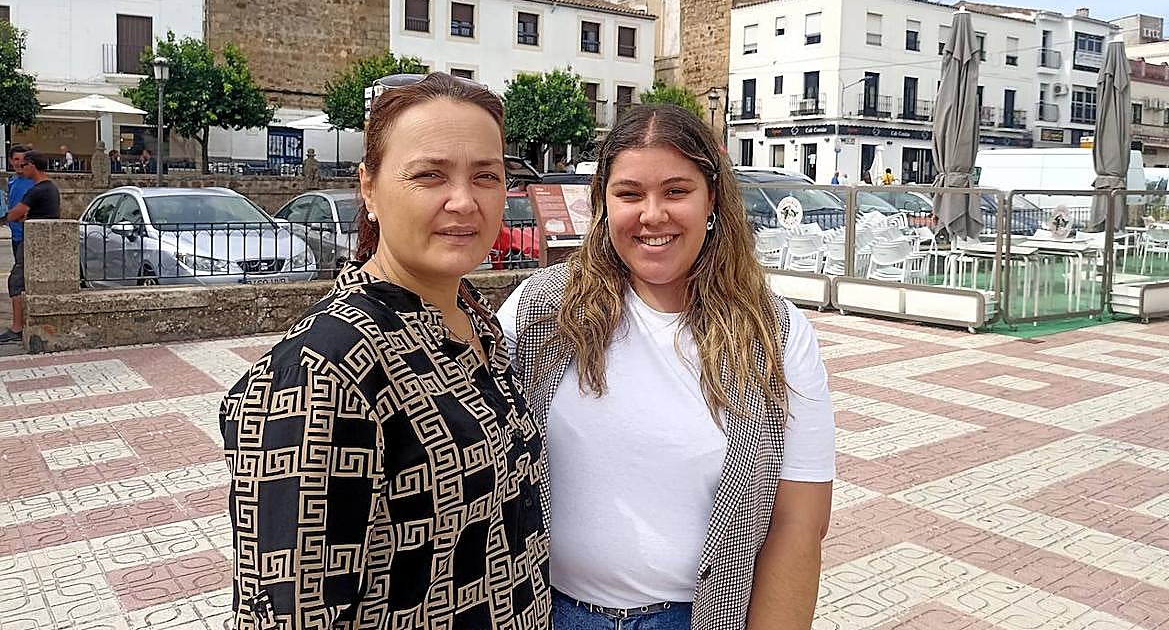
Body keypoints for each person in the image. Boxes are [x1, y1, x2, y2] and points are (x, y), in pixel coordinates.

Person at [221, 72, 550, 630]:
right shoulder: (324, 371)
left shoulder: (475, 322)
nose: (464, 201)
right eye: (429, 175)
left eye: (486, 176)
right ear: (369, 188)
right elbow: (291, 610)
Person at [498, 104, 835, 630]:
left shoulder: (775, 333)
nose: (652, 215)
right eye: (629, 194)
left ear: (712, 199)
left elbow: (800, 523)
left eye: (676, 191)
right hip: (547, 613)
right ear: (603, 202)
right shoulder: (540, 310)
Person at [2, 151, 61, 345]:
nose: (21, 168)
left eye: (24, 165)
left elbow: (14, 214)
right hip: (44, 242)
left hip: (33, 243)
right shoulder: (51, 188)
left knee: (16, 282)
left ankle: (17, 328)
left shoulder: (36, 190)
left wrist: (6, 218)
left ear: (32, 165)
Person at [2, 145, 33, 344]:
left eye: (23, 160)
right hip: (15, 236)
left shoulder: (33, 182)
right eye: (16, 159)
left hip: (27, 237)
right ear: (11, 161)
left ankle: (17, 327)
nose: (20, 163)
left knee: (17, 281)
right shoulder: (12, 181)